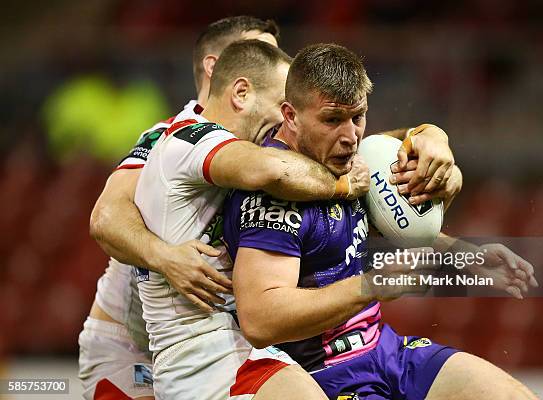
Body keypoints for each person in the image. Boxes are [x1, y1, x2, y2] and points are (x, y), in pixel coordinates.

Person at [83, 15, 461, 400]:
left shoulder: (249, 143)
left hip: (224, 338)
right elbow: (105, 218)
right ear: (231, 77)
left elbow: (344, 147)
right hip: (132, 342)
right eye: (274, 75)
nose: (287, 105)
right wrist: (163, 257)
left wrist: (428, 135)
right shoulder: (175, 138)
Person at [224, 43, 539, 400]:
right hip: (319, 374)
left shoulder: (351, 158)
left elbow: (392, 220)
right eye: (331, 120)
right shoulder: (273, 194)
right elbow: (261, 320)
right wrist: (370, 285)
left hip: (385, 350)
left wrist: (467, 256)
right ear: (291, 116)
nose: (350, 136)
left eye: (357, 117)